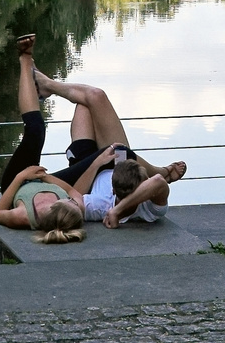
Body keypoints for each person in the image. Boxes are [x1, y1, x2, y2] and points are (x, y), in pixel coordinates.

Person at [28, 67, 187, 228]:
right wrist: (118, 210)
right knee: (96, 97)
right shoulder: (150, 206)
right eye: (147, 179)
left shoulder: (100, 205)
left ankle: (46, 86)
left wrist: (97, 163)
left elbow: (74, 195)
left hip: (88, 166)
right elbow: (158, 183)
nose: (149, 182)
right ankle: (162, 171)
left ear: (113, 190)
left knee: (85, 102)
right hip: (115, 159)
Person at [0, 35, 87, 243]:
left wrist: (22, 176)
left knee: (35, 131)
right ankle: (44, 86)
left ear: (51, 209)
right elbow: (71, 190)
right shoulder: (73, 209)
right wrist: (45, 178)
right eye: (70, 202)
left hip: (16, 181)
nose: (70, 201)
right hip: (42, 177)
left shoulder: (23, 216)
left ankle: (25, 59)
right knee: (112, 152)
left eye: (66, 202)